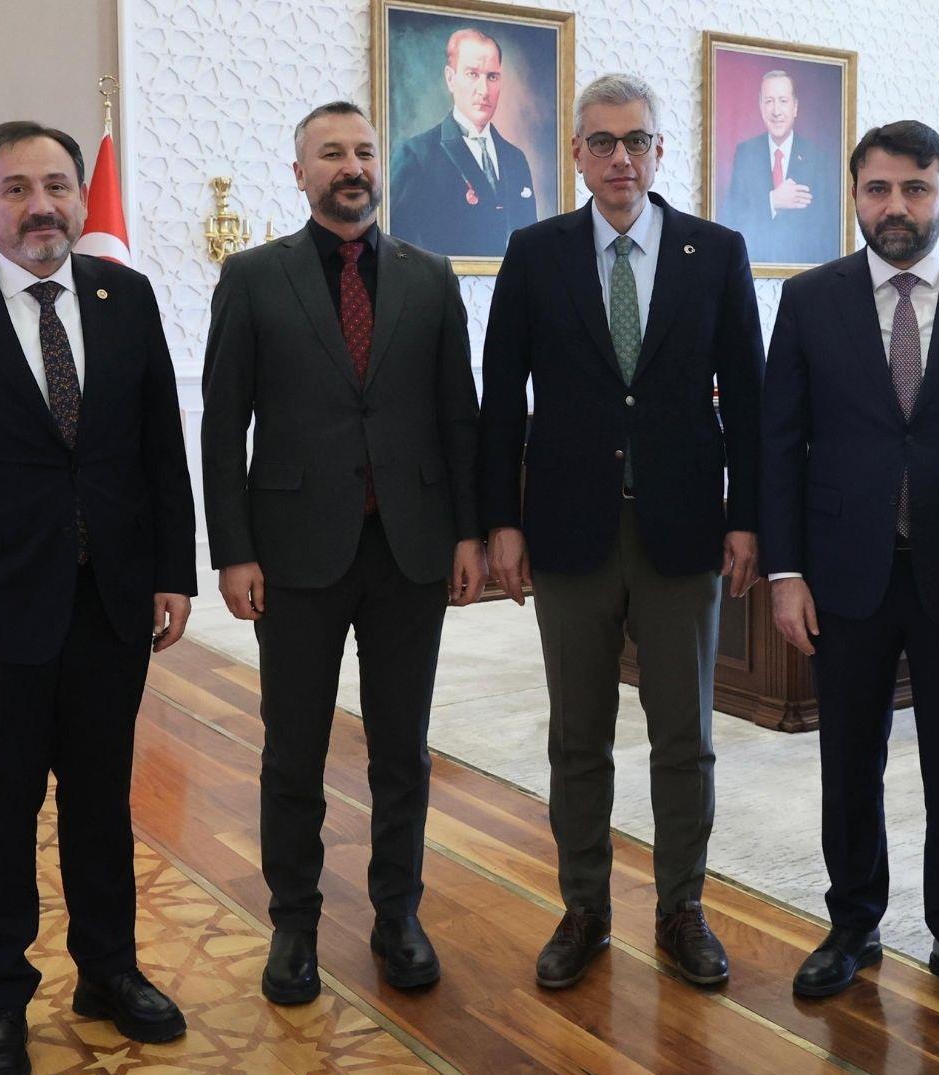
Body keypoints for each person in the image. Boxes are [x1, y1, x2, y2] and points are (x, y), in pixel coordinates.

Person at [0, 120, 196, 1075]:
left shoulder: (125, 295)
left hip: (111, 607)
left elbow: (160, 448)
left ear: (79, 197)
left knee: (101, 805)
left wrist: (172, 571)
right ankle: (0, 1000)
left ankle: (109, 972)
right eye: (15, 189)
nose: (41, 205)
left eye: (56, 185)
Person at [759, 120, 939, 1014]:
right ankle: (853, 925)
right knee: (849, 762)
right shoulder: (809, 299)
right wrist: (785, 571)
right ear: (855, 195)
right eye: (879, 189)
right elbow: (780, 445)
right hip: (844, 574)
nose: (897, 207)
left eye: (916, 189)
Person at [477, 72, 764, 991]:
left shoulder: (716, 254)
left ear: (659, 150)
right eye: (601, 142)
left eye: (636, 140)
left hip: (683, 532)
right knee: (578, 736)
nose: (620, 158)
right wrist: (501, 521)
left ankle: (682, 909)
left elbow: (750, 403)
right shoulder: (535, 254)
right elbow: (499, 401)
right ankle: (585, 910)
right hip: (570, 533)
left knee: (685, 736)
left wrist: (749, 518)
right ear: (576, 154)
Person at [200, 101, 483, 1004]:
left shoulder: (430, 277)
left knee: (404, 751)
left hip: (410, 551)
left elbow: (459, 415)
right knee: (293, 753)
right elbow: (222, 425)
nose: (351, 166)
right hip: (293, 555)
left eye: (363, 151)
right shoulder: (253, 277)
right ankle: (294, 926)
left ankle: (399, 916)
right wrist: (233, 550)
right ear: (301, 174)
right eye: (331, 153)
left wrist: (468, 534)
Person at [388, 27, 539, 256]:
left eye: (492, 76)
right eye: (472, 74)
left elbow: (531, 247)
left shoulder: (515, 158)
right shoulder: (415, 155)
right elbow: (397, 252)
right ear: (450, 78)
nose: (484, 90)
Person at [721, 69, 841, 265]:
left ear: (795, 107)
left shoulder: (818, 159)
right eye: (769, 101)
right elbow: (731, 216)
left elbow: (827, 229)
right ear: (761, 107)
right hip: (753, 266)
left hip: (804, 271)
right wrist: (772, 201)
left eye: (783, 101)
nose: (776, 111)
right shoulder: (745, 153)